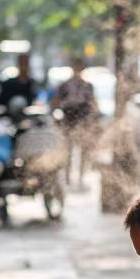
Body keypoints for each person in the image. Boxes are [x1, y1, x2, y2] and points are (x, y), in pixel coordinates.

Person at [51, 57, 97, 186]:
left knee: (83, 150)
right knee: (68, 150)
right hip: (69, 119)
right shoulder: (64, 85)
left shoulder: (87, 86)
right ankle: (67, 176)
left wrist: (93, 121)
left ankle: (81, 176)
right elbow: (56, 101)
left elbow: (92, 103)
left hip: (83, 120)